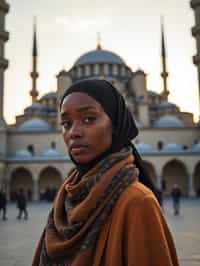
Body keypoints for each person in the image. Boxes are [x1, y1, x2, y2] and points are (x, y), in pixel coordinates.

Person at [32, 79, 179, 266]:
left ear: (116, 124)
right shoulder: (66, 198)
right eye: (66, 123)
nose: (73, 133)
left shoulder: (137, 202)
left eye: (88, 119)